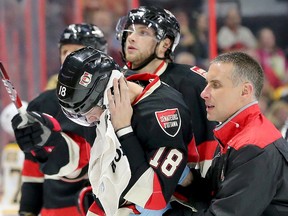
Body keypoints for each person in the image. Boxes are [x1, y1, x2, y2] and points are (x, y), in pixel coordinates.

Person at [12, 47, 194, 215]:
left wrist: (124, 130)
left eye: (86, 112)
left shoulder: (163, 112)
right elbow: (87, 168)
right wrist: (49, 141)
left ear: (107, 91)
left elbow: (154, 197)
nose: (88, 120)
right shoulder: (104, 109)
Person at [15, 23, 107, 216]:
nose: (68, 57)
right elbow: (33, 172)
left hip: (100, 209)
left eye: (76, 52)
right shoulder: (41, 103)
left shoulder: (111, 98)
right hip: (54, 211)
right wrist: (27, 211)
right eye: (65, 51)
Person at [115, 6, 217, 176]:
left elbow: (209, 147)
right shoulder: (115, 82)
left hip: (182, 192)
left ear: (165, 44)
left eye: (143, 33)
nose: (131, 38)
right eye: (129, 31)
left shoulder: (193, 83)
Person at [185, 51, 288, 215]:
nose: (203, 93)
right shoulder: (236, 134)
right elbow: (214, 193)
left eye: (216, 85)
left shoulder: (255, 146)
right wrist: (184, 179)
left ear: (245, 91)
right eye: (206, 84)